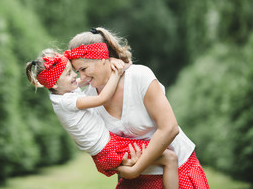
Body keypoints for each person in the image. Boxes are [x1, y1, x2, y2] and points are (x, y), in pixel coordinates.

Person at [65, 27, 210, 189]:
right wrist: (126, 168)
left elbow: (169, 128)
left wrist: (136, 168)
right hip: (135, 180)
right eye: (78, 71)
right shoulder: (89, 99)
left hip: (178, 172)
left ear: (102, 58)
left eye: (84, 69)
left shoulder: (139, 77)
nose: (82, 77)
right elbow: (106, 148)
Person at [26, 48, 179, 189]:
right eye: (68, 74)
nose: (75, 76)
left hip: (107, 149)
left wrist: (112, 62)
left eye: (73, 70)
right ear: (54, 83)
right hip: (109, 150)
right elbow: (103, 98)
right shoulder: (66, 102)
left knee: (159, 158)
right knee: (170, 158)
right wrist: (116, 72)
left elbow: (86, 79)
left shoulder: (62, 92)